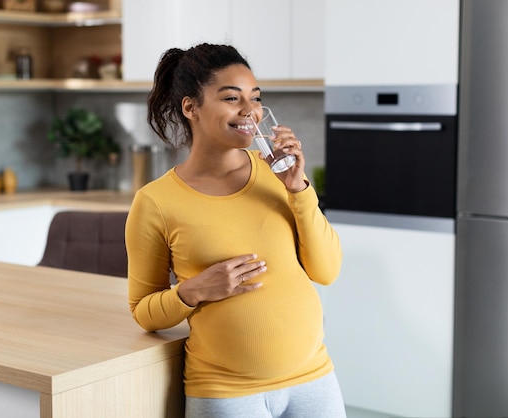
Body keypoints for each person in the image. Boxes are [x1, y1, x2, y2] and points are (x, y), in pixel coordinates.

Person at [125, 43, 345, 418]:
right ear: (190, 107)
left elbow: (327, 271)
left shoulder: (280, 176)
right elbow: (144, 312)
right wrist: (192, 291)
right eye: (232, 98)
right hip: (226, 393)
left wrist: (299, 188)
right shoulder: (156, 202)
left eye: (255, 98)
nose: (251, 111)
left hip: (314, 379)